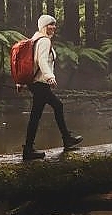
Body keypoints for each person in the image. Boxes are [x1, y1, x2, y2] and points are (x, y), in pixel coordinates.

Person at [21, 14, 83, 160]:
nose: (54, 27)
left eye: (54, 24)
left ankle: (30, 148)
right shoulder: (44, 41)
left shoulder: (34, 40)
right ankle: (64, 140)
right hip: (41, 83)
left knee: (41, 113)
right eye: (50, 24)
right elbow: (41, 61)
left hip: (35, 83)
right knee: (55, 107)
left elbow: (31, 63)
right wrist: (50, 77)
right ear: (43, 26)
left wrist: (23, 82)